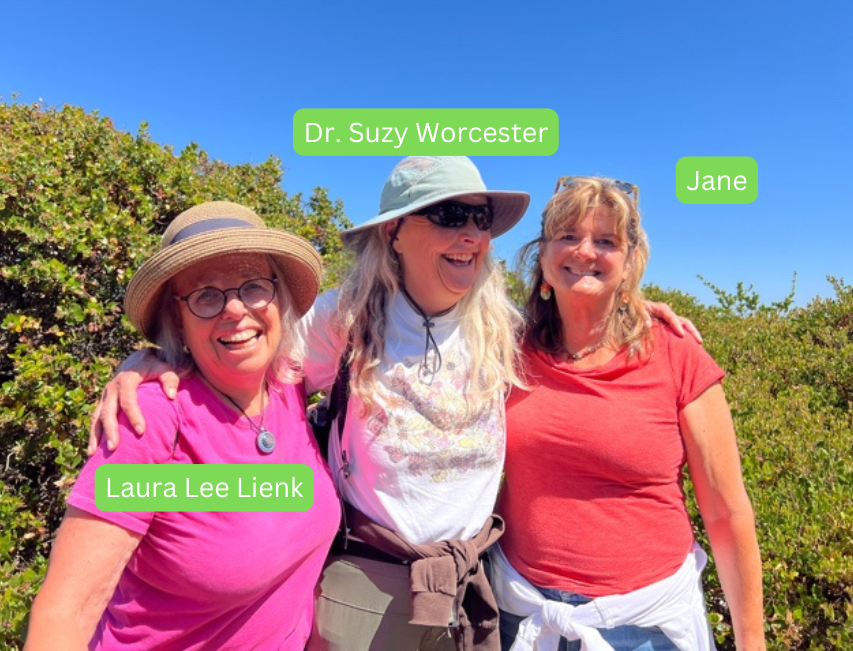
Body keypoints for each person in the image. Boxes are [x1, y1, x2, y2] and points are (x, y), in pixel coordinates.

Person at [91, 158, 698, 651]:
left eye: (480, 217)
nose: (470, 234)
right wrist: (153, 362)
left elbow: (580, 327)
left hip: (473, 584)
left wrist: (635, 310)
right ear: (395, 232)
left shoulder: (505, 326)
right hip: (368, 584)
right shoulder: (342, 318)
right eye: (448, 214)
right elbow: (241, 352)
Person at [25, 202, 340, 650]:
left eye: (253, 286)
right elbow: (66, 611)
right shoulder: (152, 417)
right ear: (178, 320)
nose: (235, 309)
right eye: (205, 295)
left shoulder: (288, 384)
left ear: (278, 298)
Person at [489, 177, 765, 651]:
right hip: (523, 612)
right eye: (568, 235)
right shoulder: (507, 348)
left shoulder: (676, 353)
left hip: (645, 626)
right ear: (543, 257)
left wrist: (752, 642)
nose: (585, 251)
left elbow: (725, 511)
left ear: (630, 260)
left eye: (606, 241)